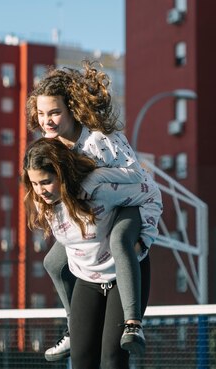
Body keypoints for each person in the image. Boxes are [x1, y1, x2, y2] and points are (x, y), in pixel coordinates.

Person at [25, 61, 163, 360]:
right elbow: (45, 179)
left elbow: (138, 177)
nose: (46, 120)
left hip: (130, 202)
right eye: (41, 114)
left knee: (119, 241)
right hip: (96, 221)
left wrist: (98, 176)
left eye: (54, 112)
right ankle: (73, 328)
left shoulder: (100, 141)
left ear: (72, 109)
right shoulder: (52, 146)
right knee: (53, 262)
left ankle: (132, 323)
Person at [22, 138, 157, 369]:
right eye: (34, 184)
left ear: (62, 175)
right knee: (82, 360)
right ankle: (70, 331)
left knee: (111, 360)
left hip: (121, 278)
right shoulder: (45, 203)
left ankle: (134, 324)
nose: (39, 191)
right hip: (87, 280)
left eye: (45, 182)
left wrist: (144, 238)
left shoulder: (98, 193)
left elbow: (149, 194)